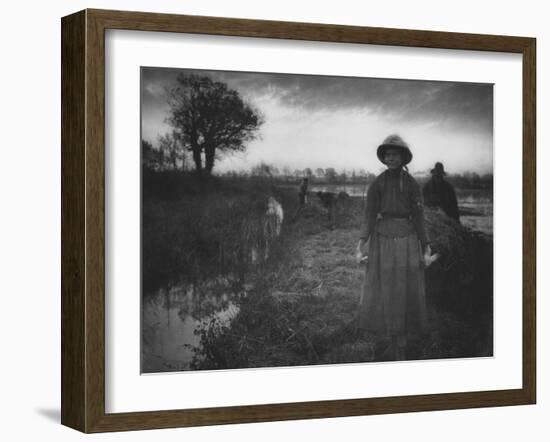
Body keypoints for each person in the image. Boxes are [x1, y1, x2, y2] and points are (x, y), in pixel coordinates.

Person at [355, 134, 434, 360]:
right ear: (384, 158)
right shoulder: (377, 184)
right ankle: (389, 335)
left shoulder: (411, 185)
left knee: (405, 287)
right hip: (382, 241)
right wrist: (361, 244)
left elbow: (419, 217)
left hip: (408, 240)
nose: (391, 159)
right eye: (387, 155)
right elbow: (369, 216)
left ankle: (403, 339)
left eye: (395, 155)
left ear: (403, 158)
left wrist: (426, 245)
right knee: (385, 285)